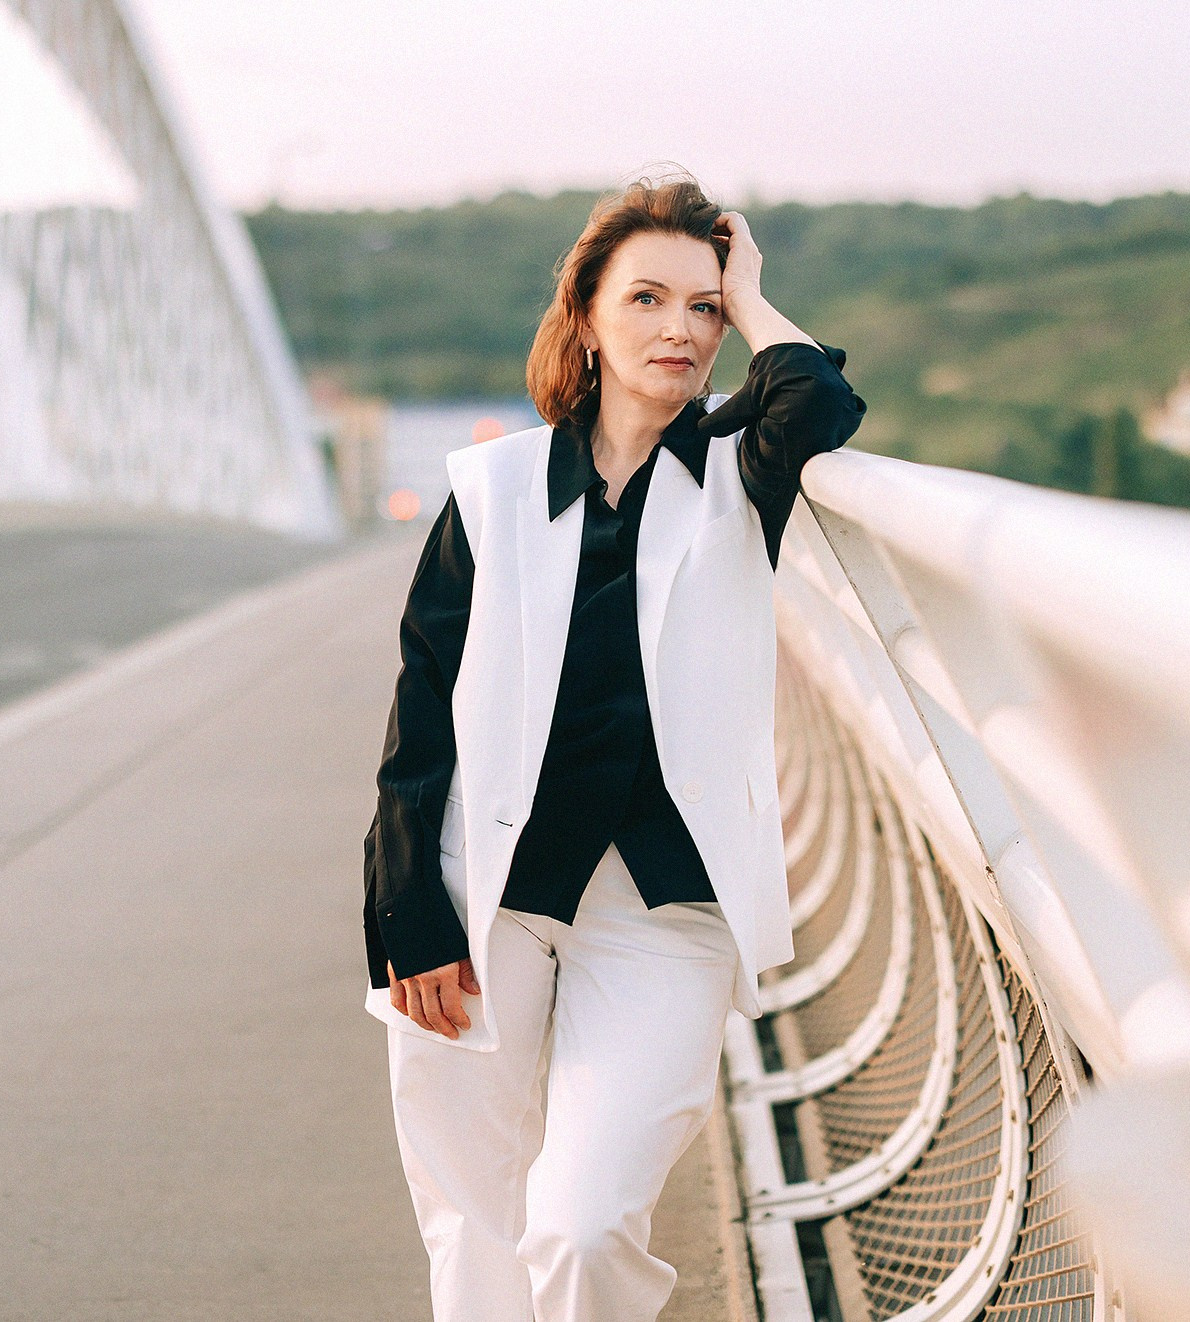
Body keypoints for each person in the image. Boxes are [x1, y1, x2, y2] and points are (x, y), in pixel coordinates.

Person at [360, 171, 866, 1322]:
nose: (677, 329)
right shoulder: (487, 490)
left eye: (701, 307)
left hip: (663, 912)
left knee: (580, 1224)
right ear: (583, 315)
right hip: (481, 898)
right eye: (644, 299)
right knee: (475, 1225)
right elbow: (419, 713)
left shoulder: (739, 472)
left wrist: (751, 294)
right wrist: (407, 917)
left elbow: (821, 402)